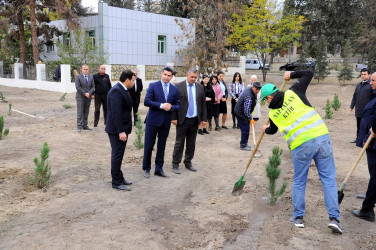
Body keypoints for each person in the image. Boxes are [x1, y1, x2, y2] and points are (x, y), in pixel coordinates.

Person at [261, 70, 342, 234]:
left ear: (269, 97)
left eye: (265, 99)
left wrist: (265, 129)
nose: (266, 103)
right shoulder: (294, 92)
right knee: (328, 180)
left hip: (300, 146)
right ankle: (334, 219)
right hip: (321, 138)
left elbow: (273, 131)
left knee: (299, 181)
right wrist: (291, 75)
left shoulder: (273, 114)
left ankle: (298, 218)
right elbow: (309, 73)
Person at [143, 66, 180, 178]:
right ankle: (146, 168)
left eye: (169, 75)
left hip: (165, 122)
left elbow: (178, 105)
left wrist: (171, 107)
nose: (166, 77)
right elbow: (146, 101)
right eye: (165, 74)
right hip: (152, 121)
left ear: (172, 76)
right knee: (149, 146)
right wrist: (161, 105)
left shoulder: (174, 89)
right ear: (161, 74)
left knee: (162, 146)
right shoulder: (153, 86)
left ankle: (159, 169)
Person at [171, 68, 207, 174]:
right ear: (187, 75)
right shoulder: (178, 87)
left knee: (191, 143)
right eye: (191, 77)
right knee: (179, 143)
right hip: (182, 120)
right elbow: (174, 103)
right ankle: (175, 163)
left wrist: (204, 119)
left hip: (195, 120)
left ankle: (188, 162)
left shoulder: (200, 87)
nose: (193, 79)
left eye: (195, 77)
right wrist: (174, 118)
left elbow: (203, 104)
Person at [105, 70, 135, 191]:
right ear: (127, 80)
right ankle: (116, 182)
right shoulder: (117, 91)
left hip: (121, 128)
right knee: (117, 155)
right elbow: (116, 114)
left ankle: (119, 177)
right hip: (117, 130)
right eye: (133, 80)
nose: (134, 82)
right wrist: (121, 131)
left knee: (119, 154)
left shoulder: (123, 89)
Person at [352, 72, 376, 222]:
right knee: (373, 172)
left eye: (373, 80)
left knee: (375, 175)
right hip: (370, 142)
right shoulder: (373, 94)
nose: (371, 82)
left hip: (374, 142)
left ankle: (367, 210)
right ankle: (370, 196)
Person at [234, 81, 261, 151]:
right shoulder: (248, 96)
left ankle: (244, 143)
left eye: (259, 89)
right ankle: (243, 145)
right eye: (256, 89)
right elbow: (246, 111)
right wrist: (250, 118)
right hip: (241, 113)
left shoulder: (250, 90)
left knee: (246, 127)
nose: (258, 91)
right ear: (253, 87)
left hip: (241, 111)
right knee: (245, 128)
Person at [350, 68, 372, 143]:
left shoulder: (371, 85)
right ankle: (358, 139)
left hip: (367, 110)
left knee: (366, 125)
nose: (363, 76)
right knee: (358, 125)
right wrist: (352, 106)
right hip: (359, 109)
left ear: (369, 75)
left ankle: (366, 140)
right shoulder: (358, 85)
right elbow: (355, 96)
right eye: (362, 74)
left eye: (365, 74)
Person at [75, 64, 94, 132]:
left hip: (88, 97)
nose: (85, 70)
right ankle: (79, 126)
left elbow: (93, 87)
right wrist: (85, 93)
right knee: (80, 112)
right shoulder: (78, 77)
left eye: (87, 69)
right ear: (82, 69)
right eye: (84, 69)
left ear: (88, 70)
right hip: (80, 97)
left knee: (86, 112)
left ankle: (85, 125)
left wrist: (89, 93)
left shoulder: (91, 77)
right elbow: (78, 87)